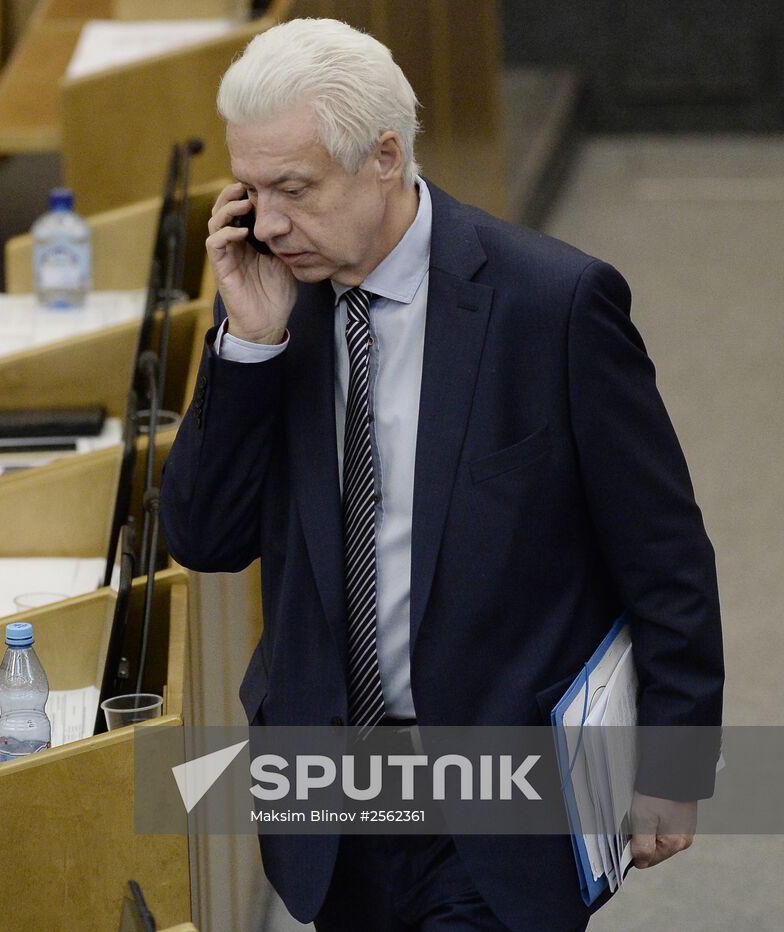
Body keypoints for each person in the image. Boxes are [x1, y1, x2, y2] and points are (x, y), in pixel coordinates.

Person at [160, 19, 724, 932]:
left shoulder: (554, 305)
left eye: (294, 190)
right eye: (251, 191)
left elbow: (664, 553)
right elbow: (204, 538)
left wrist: (673, 761)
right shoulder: (275, 306)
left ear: (385, 157)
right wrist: (250, 346)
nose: (266, 224)